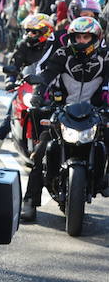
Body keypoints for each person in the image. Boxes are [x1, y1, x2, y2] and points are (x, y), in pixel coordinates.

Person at [21, 17, 109, 221]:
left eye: (85, 37)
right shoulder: (62, 54)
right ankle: (29, 201)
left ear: (95, 38)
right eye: (77, 36)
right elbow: (46, 76)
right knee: (42, 149)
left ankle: (104, 178)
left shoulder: (105, 58)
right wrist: (37, 94)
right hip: (62, 112)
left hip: (94, 113)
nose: (80, 41)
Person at [0, 13, 56, 163]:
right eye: (28, 31)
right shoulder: (24, 45)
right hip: (27, 87)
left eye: (34, 32)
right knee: (8, 118)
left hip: (48, 88)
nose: (29, 34)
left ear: (46, 31)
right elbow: (14, 64)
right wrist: (10, 81)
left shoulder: (54, 46)